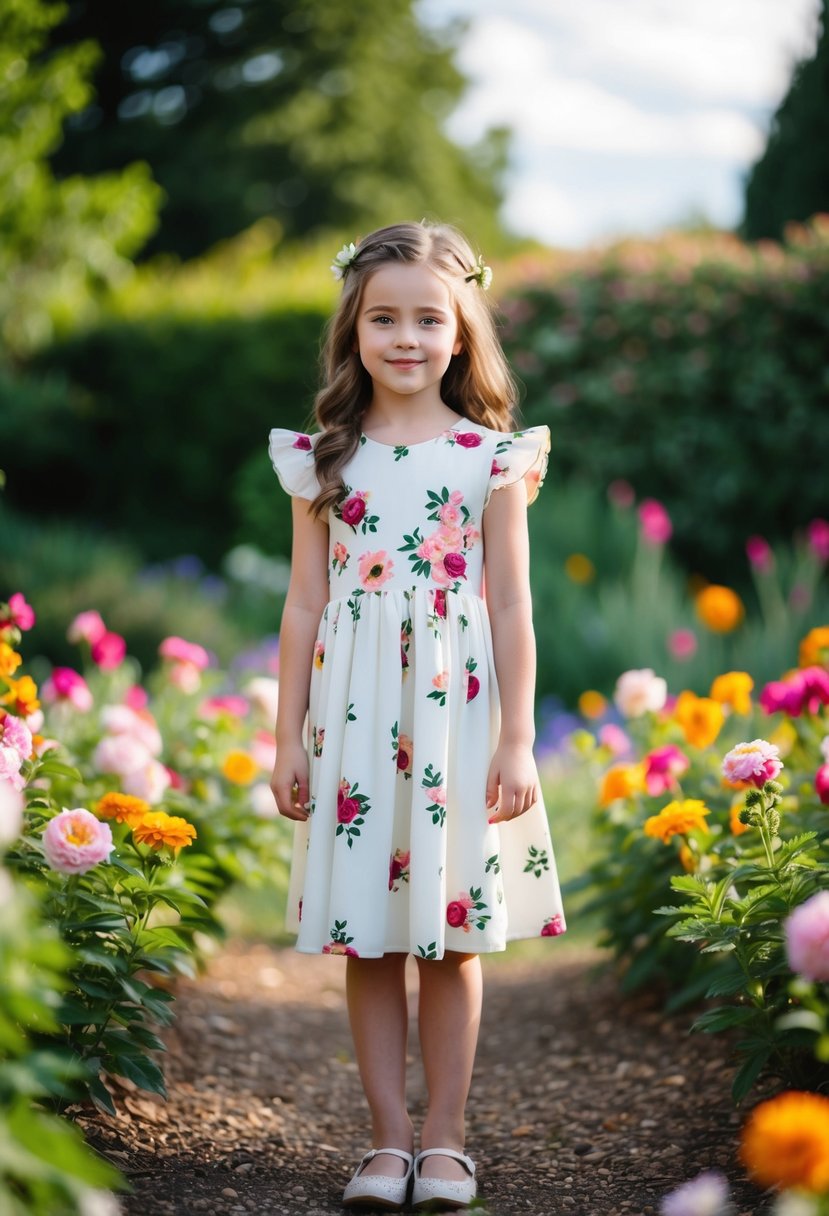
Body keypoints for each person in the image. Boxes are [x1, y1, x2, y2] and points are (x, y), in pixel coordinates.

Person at [268, 220, 566, 1212]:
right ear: (353, 330)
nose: (405, 337)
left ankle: (446, 1138)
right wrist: (286, 741)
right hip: (355, 720)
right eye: (383, 318)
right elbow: (305, 603)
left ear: (460, 331)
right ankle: (385, 1140)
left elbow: (514, 603)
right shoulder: (324, 461)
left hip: (455, 718)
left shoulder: (490, 459)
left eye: (427, 318)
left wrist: (518, 737)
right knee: (371, 934)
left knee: (452, 932)